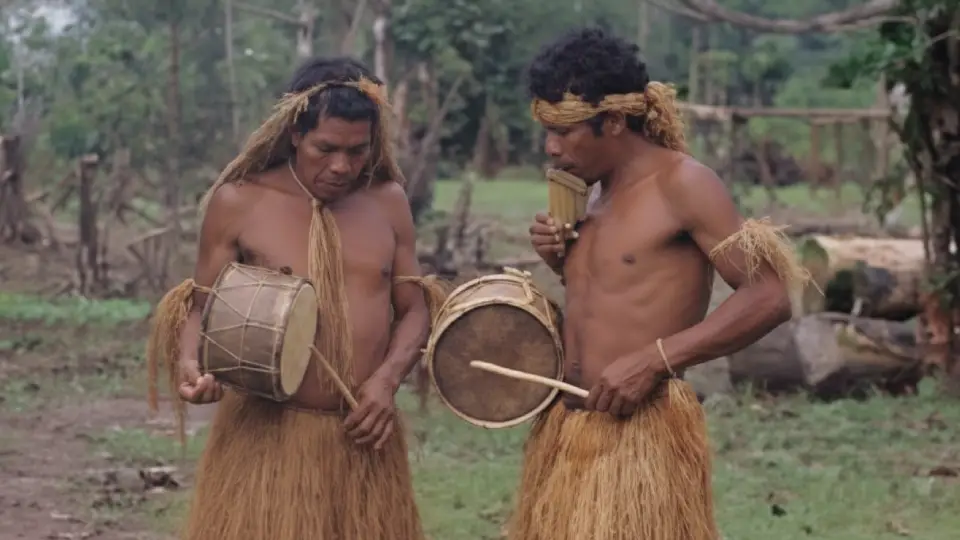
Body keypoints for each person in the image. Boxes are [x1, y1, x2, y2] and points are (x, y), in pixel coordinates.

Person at [509, 27, 811, 540]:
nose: (551, 147)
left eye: (566, 130)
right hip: (567, 433)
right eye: (546, 130)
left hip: (640, 438)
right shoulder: (589, 197)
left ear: (613, 122)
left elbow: (771, 295)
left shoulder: (682, 184)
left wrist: (656, 360)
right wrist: (560, 261)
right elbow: (618, 296)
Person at [145, 56, 446, 540]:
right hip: (264, 439)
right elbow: (201, 304)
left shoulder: (388, 200)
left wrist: (387, 381)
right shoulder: (240, 201)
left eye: (357, 151)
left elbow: (415, 309)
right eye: (325, 148)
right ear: (294, 134)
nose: (342, 166)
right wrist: (191, 364)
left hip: (360, 438)